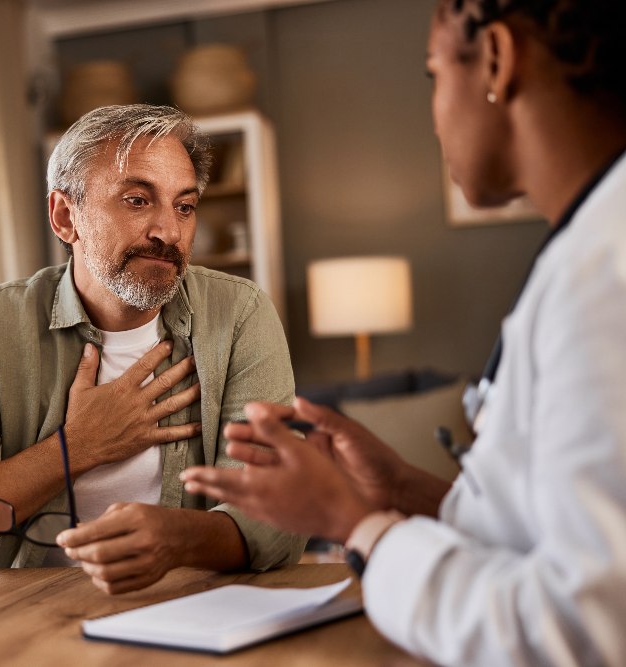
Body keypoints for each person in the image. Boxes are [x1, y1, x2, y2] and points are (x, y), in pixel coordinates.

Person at [182, 0, 626, 663]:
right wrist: (400, 490)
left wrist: (355, 524)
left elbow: (581, 628)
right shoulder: (588, 248)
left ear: (497, 60)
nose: (434, 111)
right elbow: (550, 539)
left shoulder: (604, 277)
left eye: (432, 74)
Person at [0, 104, 305, 594]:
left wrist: (177, 540)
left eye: (184, 206)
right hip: (29, 610)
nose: (169, 232)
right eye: (136, 200)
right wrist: (74, 448)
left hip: (193, 606)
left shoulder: (240, 315)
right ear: (66, 216)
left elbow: (280, 515)